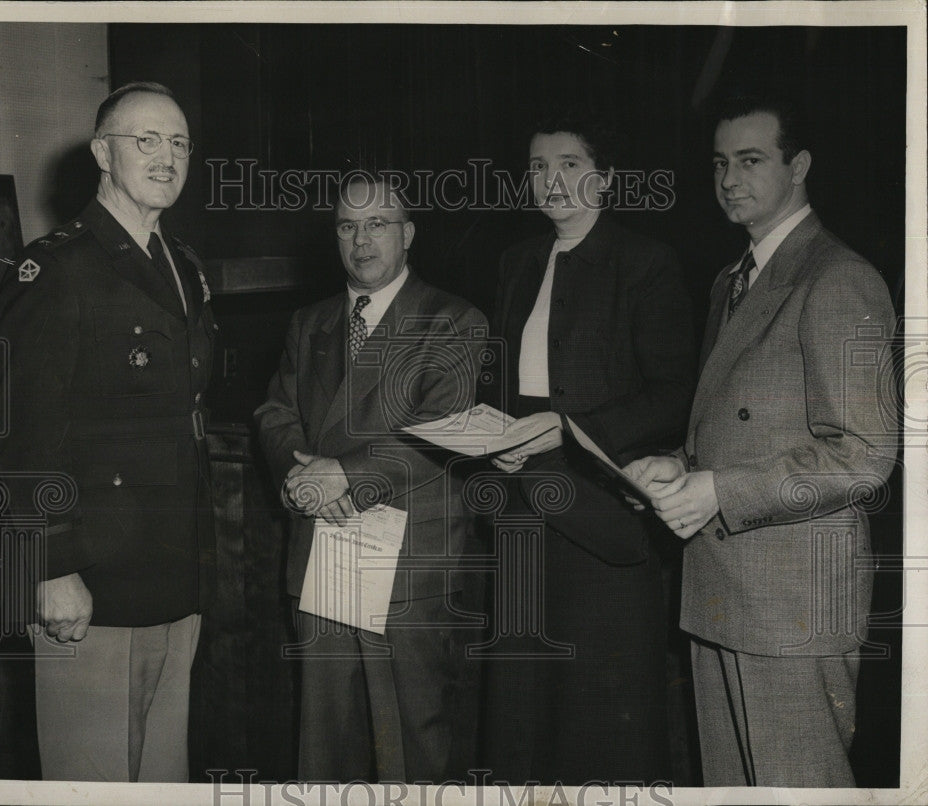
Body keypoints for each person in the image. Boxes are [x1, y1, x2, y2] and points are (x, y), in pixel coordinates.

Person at [623, 95, 897, 787]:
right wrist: (680, 463)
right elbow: (737, 426)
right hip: (722, 592)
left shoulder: (838, 279)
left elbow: (864, 456)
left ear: (799, 165)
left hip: (794, 608)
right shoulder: (731, 281)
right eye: (720, 163)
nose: (728, 179)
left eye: (750, 160)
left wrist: (718, 489)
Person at [0, 81, 217, 782]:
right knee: (89, 780)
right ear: (101, 152)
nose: (166, 156)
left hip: (175, 572)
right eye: (145, 140)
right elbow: (25, 432)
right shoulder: (58, 268)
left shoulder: (183, 265)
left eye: (178, 143)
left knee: (161, 778)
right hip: (89, 579)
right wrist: (52, 566)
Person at [480, 115, 696, 784]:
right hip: (522, 510)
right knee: (523, 712)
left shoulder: (646, 262)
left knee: (601, 720)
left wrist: (569, 430)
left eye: (569, 164)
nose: (553, 180)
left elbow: (673, 392)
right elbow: (502, 378)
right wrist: (493, 436)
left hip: (603, 517)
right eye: (539, 166)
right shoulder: (516, 263)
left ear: (602, 179)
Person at [255, 173, 487, 782]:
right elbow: (276, 412)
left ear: (408, 234)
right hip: (324, 543)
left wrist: (344, 477)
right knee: (326, 741)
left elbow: (441, 433)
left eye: (378, 223)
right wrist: (299, 476)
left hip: (408, 556)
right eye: (347, 226)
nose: (362, 240)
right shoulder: (310, 323)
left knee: (410, 740)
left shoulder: (453, 320)